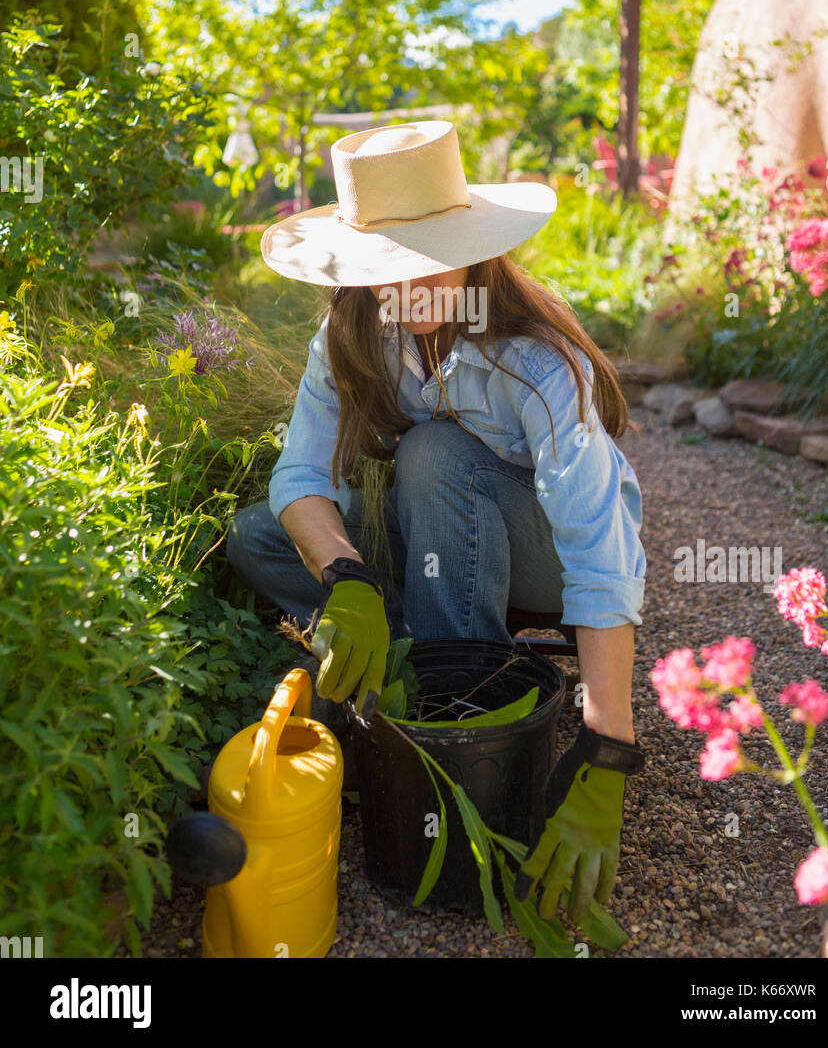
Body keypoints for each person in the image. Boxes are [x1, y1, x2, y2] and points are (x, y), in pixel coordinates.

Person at [226, 118, 646, 925]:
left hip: (545, 558)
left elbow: (599, 557)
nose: (404, 286)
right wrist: (345, 577)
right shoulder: (351, 336)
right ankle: (398, 640)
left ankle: (454, 719)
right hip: (438, 535)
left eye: (425, 261)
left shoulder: (535, 362)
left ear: (473, 246)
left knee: (436, 453)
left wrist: (607, 749)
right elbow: (302, 476)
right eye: (385, 268)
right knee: (259, 533)